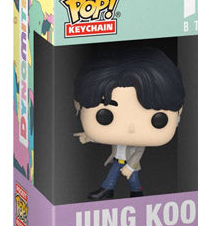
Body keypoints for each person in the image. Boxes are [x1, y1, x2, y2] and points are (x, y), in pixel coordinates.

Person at [73, 45, 185, 200]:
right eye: (104, 116)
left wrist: (131, 166)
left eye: (157, 119)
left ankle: (124, 191)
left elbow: (138, 151)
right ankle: (121, 191)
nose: (131, 129)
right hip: (119, 159)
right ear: (78, 106)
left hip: (129, 161)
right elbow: (109, 135)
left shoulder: (139, 141)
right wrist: (89, 136)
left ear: (179, 112)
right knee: (128, 177)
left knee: (131, 177)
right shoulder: (118, 135)